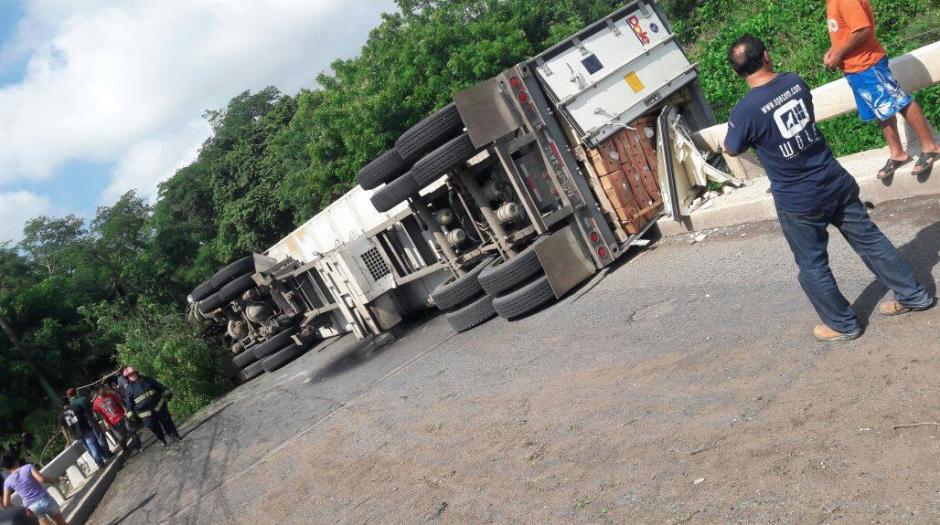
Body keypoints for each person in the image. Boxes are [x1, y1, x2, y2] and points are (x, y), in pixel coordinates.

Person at [723, 34, 934, 341]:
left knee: (812, 264)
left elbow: (731, 148)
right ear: (766, 56)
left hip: (798, 199)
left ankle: (843, 324)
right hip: (833, 179)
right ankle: (914, 295)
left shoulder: (744, 111)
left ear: (737, 72)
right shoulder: (794, 82)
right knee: (870, 239)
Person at [824, 0, 939, 179]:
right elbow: (847, 31)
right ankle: (897, 153)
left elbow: (862, 29)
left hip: (868, 64)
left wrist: (838, 54)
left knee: (900, 101)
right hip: (856, 69)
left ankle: (930, 146)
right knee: (882, 109)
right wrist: (834, 50)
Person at [1, 454, 69, 525]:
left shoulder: (7, 482)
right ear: (16, 461)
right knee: (61, 523)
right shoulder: (28, 467)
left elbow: (6, 504)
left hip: (31, 507)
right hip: (45, 499)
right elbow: (41, 479)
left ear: (6, 468)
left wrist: (20, 508)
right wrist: (52, 480)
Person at [122, 367, 181, 447]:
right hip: (145, 413)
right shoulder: (129, 389)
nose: (132, 376)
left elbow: (160, 386)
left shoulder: (148, 380)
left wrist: (166, 391)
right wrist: (130, 414)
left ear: (136, 372)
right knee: (154, 427)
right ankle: (161, 439)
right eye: (129, 375)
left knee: (167, 422)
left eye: (133, 373)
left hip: (159, 406)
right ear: (127, 378)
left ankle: (175, 436)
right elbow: (129, 403)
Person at [56, 397, 105, 468]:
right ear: (69, 401)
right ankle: (100, 462)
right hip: (87, 430)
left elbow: (64, 429)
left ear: (61, 405)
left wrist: (68, 440)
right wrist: (95, 425)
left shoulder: (61, 416)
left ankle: (99, 461)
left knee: (89, 448)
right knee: (92, 446)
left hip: (77, 435)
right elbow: (88, 416)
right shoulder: (77, 406)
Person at [66, 388, 112, 459]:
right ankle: (107, 453)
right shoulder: (83, 399)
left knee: (93, 442)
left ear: (68, 396)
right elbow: (93, 409)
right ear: (76, 393)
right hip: (91, 420)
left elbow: (72, 420)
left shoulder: (69, 406)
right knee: (100, 436)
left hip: (82, 427)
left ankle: (103, 456)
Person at [92, 385, 139, 452]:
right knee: (121, 438)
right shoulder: (96, 403)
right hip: (112, 422)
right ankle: (125, 449)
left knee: (131, 430)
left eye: (104, 388)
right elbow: (100, 415)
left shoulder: (111, 395)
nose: (104, 389)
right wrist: (105, 423)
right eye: (102, 389)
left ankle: (138, 445)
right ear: (98, 391)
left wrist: (125, 410)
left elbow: (120, 402)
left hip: (121, 417)